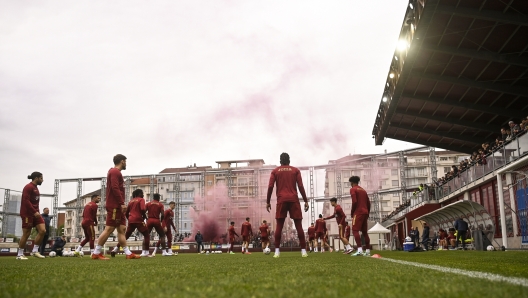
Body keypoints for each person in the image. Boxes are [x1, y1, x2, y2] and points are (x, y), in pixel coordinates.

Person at [92, 154, 139, 260]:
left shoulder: (115, 172)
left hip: (118, 206)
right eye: (125, 161)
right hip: (115, 205)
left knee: (122, 229)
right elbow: (114, 187)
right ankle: (96, 253)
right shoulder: (114, 172)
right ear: (122, 161)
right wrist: (121, 203)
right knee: (109, 228)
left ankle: (128, 253)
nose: (126, 164)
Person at [266, 152, 309, 258]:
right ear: (289, 160)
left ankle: (277, 251)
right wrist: (305, 200)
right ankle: (303, 251)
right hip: (294, 199)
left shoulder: (275, 171)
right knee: (299, 225)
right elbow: (300, 186)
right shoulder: (295, 170)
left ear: (280, 161)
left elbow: (270, 186)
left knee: (279, 226)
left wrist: (267, 201)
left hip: (281, 200)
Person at [110, 189, 150, 257]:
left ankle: (115, 249)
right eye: (142, 193)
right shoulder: (141, 199)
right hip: (138, 219)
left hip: (131, 220)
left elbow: (126, 212)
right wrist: (144, 216)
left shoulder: (131, 201)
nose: (143, 195)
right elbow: (143, 209)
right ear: (139, 194)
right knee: (146, 235)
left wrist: (129, 219)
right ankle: (146, 252)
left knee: (126, 236)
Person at [17, 172, 46, 260]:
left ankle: (34, 251)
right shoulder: (28, 187)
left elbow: (35, 202)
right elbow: (26, 201)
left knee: (43, 231)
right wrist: (34, 211)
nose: (42, 180)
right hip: (27, 213)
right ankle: (19, 254)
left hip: (36, 213)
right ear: (36, 178)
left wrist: (37, 212)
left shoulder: (36, 188)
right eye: (41, 178)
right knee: (26, 234)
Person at [349, 176, 371, 257]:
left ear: (352, 182)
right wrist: (367, 212)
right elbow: (368, 203)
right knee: (364, 232)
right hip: (365, 212)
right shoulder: (364, 190)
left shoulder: (353, 189)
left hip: (358, 212)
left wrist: (352, 212)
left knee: (355, 230)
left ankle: (359, 250)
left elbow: (354, 202)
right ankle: (368, 250)